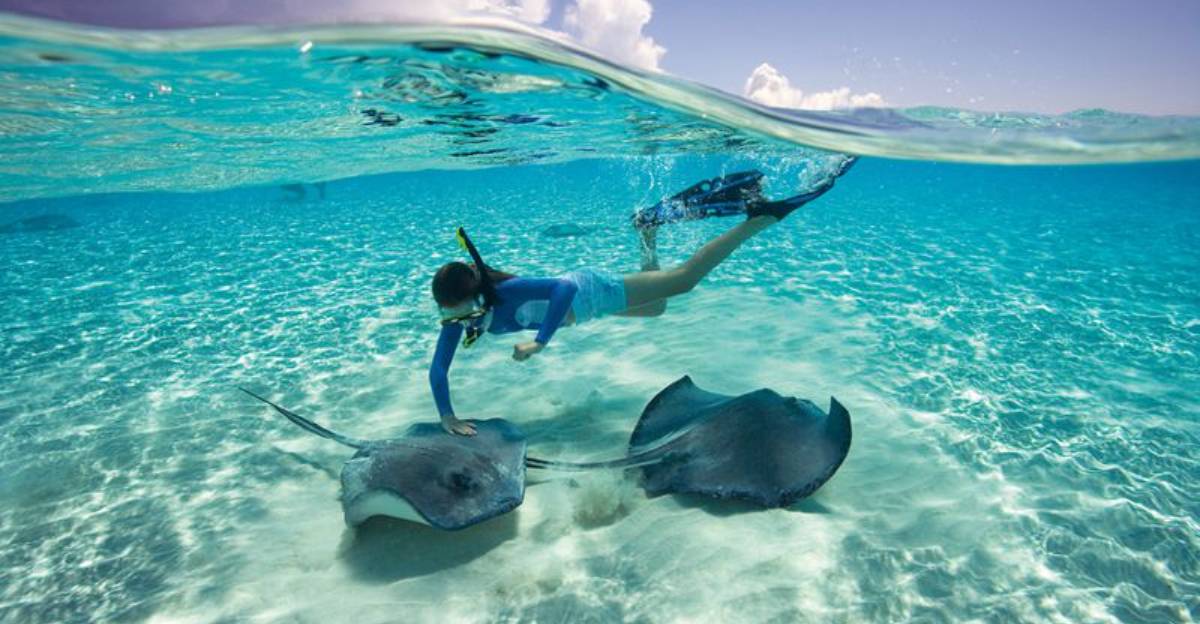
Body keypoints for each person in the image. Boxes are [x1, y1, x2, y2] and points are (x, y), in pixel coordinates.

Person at [430, 161, 855, 435]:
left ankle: (758, 220)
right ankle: (647, 230)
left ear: (471, 294)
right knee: (658, 307)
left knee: (685, 280)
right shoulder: (463, 318)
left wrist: (541, 341)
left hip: (590, 291)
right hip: (588, 311)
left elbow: (563, 289)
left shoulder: (504, 292)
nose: (446, 316)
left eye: (450, 307)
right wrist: (448, 416)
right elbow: (438, 369)